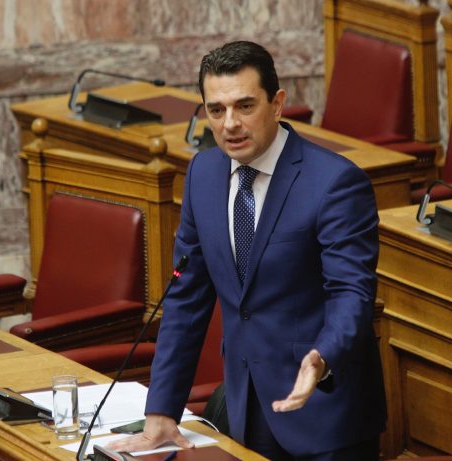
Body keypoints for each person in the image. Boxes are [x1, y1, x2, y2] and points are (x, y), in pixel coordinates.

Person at [109, 40, 386, 461]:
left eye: (244, 106)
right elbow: (185, 299)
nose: (230, 124)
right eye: (216, 110)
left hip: (325, 414)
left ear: (277, 104)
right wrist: (162, 409)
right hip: (248, 407)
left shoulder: (334, 183)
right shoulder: (203, 174)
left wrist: (323, 356)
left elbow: (351, 293)